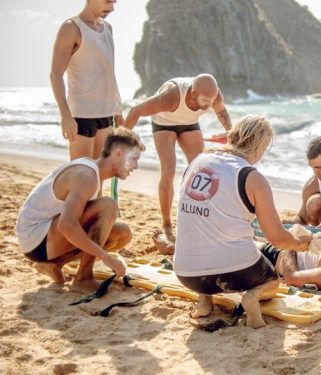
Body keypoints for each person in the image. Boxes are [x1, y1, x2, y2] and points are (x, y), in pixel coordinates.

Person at [173, 115, 310, 329]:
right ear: (261, 146)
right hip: (233, 274)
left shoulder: (197, 162)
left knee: (204, 228)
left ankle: (204, 300)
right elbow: (276, 238)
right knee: (272, 281)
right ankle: (252, 297)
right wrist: (301, 245)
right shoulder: (252, 177)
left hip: (186, 273)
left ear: (232, 136)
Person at [15, 128, 145, 293]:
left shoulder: (94, 174)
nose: (136, 166)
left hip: (44, 238)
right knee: (108, 206)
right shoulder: (87, 176)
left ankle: (54, 265)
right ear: (118, 154)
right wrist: (107, 259)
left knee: (122, 233)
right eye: (134, 159)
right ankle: (83, 279)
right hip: (34, 238)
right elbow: (67, 225)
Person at [124, 74, 232, 241]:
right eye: (204, 101)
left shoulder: (213, 96)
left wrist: (230, 133)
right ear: (192, 93)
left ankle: (202, 216)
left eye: (209, 103)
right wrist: (120, 141)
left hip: (189, 123)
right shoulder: (171, 97)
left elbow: (222, 113)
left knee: (201, 169)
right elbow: (135, 111)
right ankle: (167, 225)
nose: (206, 107)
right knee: (169, 170)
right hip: (164, 122)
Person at [50, 0, 124, 160]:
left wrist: (117, 109)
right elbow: (55, 74)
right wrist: (65, 116)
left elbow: (109, 72)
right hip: (82, 114)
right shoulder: (71, 28)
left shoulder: (108, 29)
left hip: (106, 113)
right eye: (107, 2)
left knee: (99, 176)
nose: (111, 8)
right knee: (81, 174)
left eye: (114, 2)